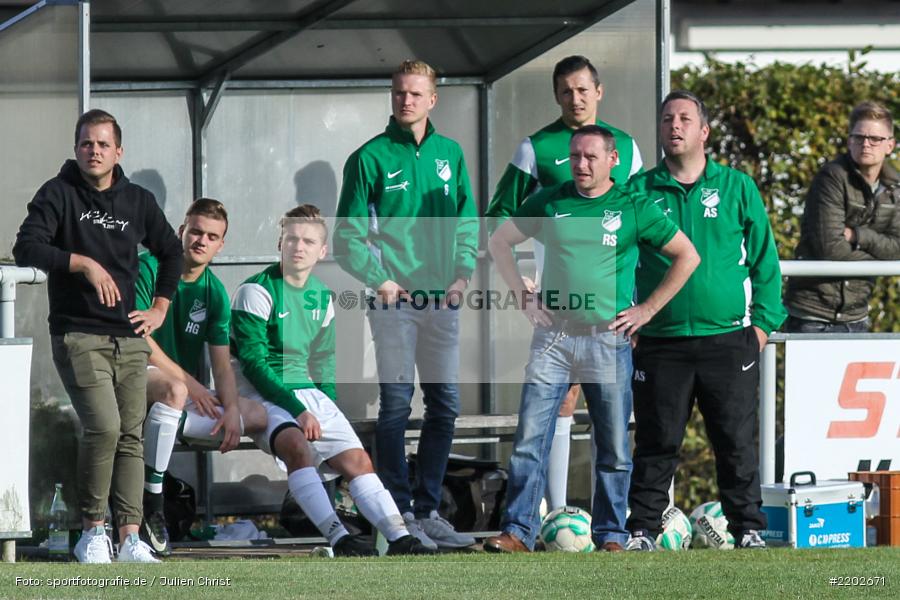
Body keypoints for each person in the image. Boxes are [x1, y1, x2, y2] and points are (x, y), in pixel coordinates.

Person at [483, 125, 699, 553]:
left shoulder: (633, 205)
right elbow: (499, 241)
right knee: (529, 438)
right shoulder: (551, 199)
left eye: (590, 157)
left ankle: (612, 536)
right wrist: (524, 298)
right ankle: (517, 532)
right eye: (575, 156)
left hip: (608, 340)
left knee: (614, 445)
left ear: (612, 160)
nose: (580, 165)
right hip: (553, 337)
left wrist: (647, 310)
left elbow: (686, 255)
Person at [13, 109, 183, 563]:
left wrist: (161, 308)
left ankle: (129, 538)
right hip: (77, 334)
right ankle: (92, 532)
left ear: (118, 151)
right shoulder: (58, 194)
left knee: (130, 434)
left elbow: (172, 251)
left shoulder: (138, 201)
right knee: (104, 427)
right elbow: (26, 246)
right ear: (76, 148)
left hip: (129, 337)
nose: (95, 151)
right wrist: (82, 263)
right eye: (87, 143)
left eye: (103, 144)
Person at [624, 91, 787, 551]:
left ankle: (749, 529)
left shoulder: (737, 187)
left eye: (684, 119)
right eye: (666, 119)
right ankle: (641, 531)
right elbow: (616, 261)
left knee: (735, 443)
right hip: (659, 342)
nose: (674, 126)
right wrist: (630, 321)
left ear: (704, 132)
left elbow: (765, 264)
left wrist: (759, 328)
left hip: (728, 340)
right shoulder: (639, 190)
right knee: (656, 444)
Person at [485, 55, 645, 510]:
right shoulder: (535, 147)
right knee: (555, 405)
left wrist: (643, 303)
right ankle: (554, 514)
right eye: (565, 92)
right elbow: (497, 217)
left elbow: (644, 223)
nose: (575, 99)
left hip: (613, 308)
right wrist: (524, 281)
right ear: (556, 96)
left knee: (613, 418)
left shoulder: (627, 148)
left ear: (599, 90)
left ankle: (614, 524)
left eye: (582, 89)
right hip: (555, 307)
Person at [230, 204, 434, 556]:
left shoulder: (322, 295)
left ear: (322, 251)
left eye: (308, 241)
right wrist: (299, 410)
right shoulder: (255, 291)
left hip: (304, 391)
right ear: (280, 242)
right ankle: (340, 538)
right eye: (291, 239)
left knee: (358, 461)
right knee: (296, 446)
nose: (298, 246)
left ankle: (400, 539)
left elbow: (323, 361)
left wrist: (326, 407)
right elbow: (253, 364)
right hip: (258, 396)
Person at [333, 60, 479, 550]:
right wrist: (382, 281)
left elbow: (465, 219)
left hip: (444, 302)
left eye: (416, 94)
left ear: (432, 99)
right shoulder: (368, 158)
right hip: (394, 304)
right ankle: (397, 515)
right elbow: (346, 238)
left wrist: (462, 273)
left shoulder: (450, 154)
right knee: (396, 404)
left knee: (445, 404)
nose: (406, 101)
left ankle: (429, 509)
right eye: (399, 93)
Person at [134, 198, 269, 556]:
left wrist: (231, 413)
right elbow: (142, 340)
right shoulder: (149, 268)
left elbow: (222, 366)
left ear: (221, 244)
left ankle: (158, 436)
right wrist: (193, 386)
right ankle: (154, 502)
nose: (201, 241)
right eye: (195, 231)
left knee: (255, 414)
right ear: (182, 231)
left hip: (173, 399)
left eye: (212, 236)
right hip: (138, 379)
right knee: (176, 389)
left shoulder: (215, 293)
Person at [784, 101, 899, 332]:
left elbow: (897, 249)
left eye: (875, 139)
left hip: (857, 314)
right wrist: (879, 259)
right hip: (812, 314)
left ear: (890, 145)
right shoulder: (832, 177)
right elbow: (830, 249)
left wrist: (857, 235)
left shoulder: (895, 187)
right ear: (849, 141)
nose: (866, 144)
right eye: (858, 137)